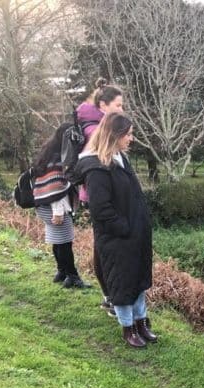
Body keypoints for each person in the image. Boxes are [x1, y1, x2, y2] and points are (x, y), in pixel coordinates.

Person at [74, 113, 156, 348]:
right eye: (128, 134)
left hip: (135, 235)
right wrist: (124, 228)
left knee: (138, 280)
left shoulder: (120, 159)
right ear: (115, 136)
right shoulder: (97, 169)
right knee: (122, 283)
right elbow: (101, 209)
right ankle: (128, 327)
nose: (131, 138)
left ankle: (141, 323)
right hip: (118, 238)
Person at [76, 78, 124, 316]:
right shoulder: (96, 130)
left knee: (103, 245)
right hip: (98, 197)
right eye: (118, 105)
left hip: (102, 195)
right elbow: (96, 166)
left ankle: (112, 296)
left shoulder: (98, 124)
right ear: (103, 105)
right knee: (103, 248)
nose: (122, 110)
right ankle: (110, 297)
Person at [32, 124, 89, 289]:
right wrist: (58, 212)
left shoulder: (48, 152)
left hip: (43, 204)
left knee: (58, 241)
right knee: (65, 242)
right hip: (55, 206)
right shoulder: (58, 159)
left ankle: (61, 272)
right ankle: (73, 277)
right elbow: (56, 187)